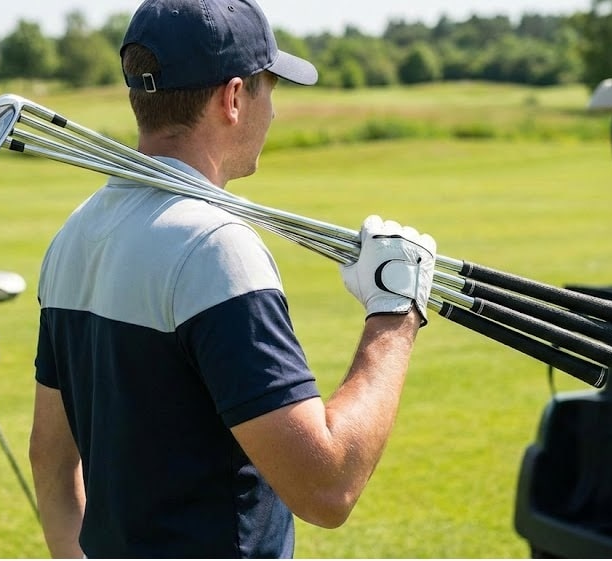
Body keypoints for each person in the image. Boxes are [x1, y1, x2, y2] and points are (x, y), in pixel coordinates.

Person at [28, 0, 437, 557]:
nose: (275, 111)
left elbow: (50, 463)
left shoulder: (74, 234)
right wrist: (395, 312)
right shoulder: (215, 248)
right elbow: (326, 487)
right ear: (235, 98)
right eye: (270, 88)